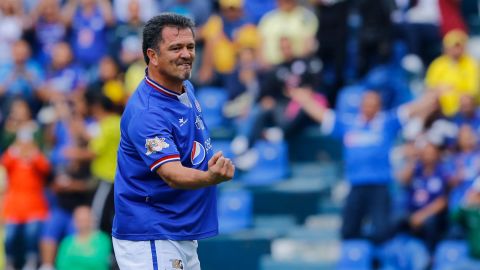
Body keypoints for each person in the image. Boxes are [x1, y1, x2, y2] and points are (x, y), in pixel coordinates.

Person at [112, 13, 235, 270]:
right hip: (152, 235)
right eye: (175, 48)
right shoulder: (147, 113)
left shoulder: (185, 88)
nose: (186, 54)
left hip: (178, 230)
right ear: (152, 55)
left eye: (190, 47)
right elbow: (171, 173)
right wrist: (210, 177)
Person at [289, 87, 438, 245]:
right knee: (348, 231)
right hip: (356, 185)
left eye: (373, 104)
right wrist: (305, 100)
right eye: (366, 104)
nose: (369, 107)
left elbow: (411, 110)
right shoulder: (348, 124)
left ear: (379, 106)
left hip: (379, 186)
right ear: (361, 105)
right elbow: (323, 116)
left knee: (382, 231)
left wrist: (434, 94)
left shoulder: (387, 123)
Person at [55, 206, 111, 270]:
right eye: (79, 220)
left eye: (85, 220)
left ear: (92, 220)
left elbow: (98, 263)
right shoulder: (67, 241)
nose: (82, 223)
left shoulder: (102, 239)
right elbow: (61, 265)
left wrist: (75, 260)